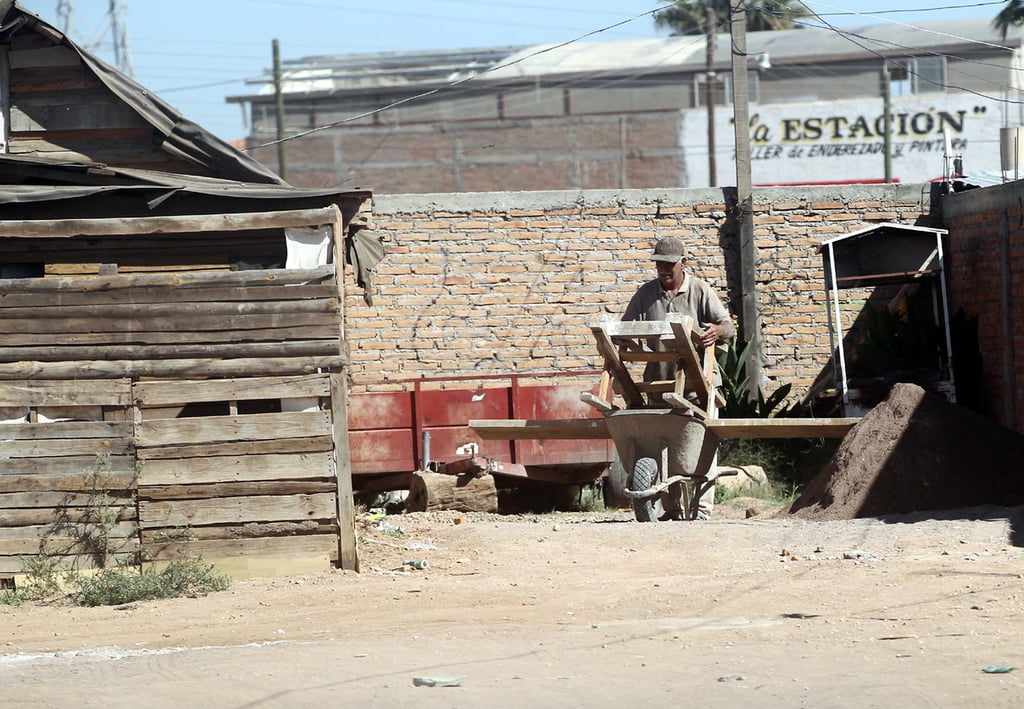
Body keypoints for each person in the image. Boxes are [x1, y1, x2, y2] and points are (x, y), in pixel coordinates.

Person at [622, 236, 734, 520]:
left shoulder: (699, 290)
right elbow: (624, 327)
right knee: (665, 443)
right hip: (661, 383)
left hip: (699, 385)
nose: (663, 269)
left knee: (702, 443)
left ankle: (702, 511)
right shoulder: (646, 294)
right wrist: (625, 343)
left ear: (683, 262)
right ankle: (672, 510)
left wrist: (716, 332)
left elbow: (727, 325)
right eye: (659, 263)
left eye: (669, 263)